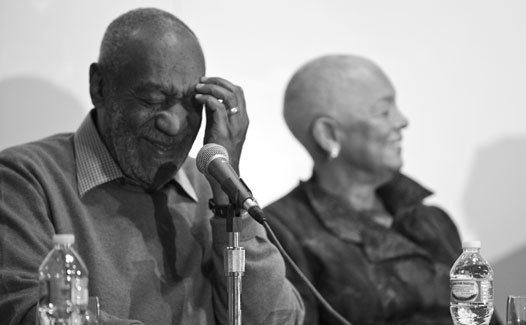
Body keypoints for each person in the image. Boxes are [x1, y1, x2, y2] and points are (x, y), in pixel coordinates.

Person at [0, 8, 303, 325]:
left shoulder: (206, 187)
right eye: (152, 99)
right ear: (99, 87)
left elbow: (277, 319)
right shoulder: (25, 179)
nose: (173, 124)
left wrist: (228, 199)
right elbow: (24, 313)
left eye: (191, 103)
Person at [265, 55, 498, 324]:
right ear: (328, 134)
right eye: (383, 112)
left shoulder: (431, 221)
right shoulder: (281, 230)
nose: (402, 121)